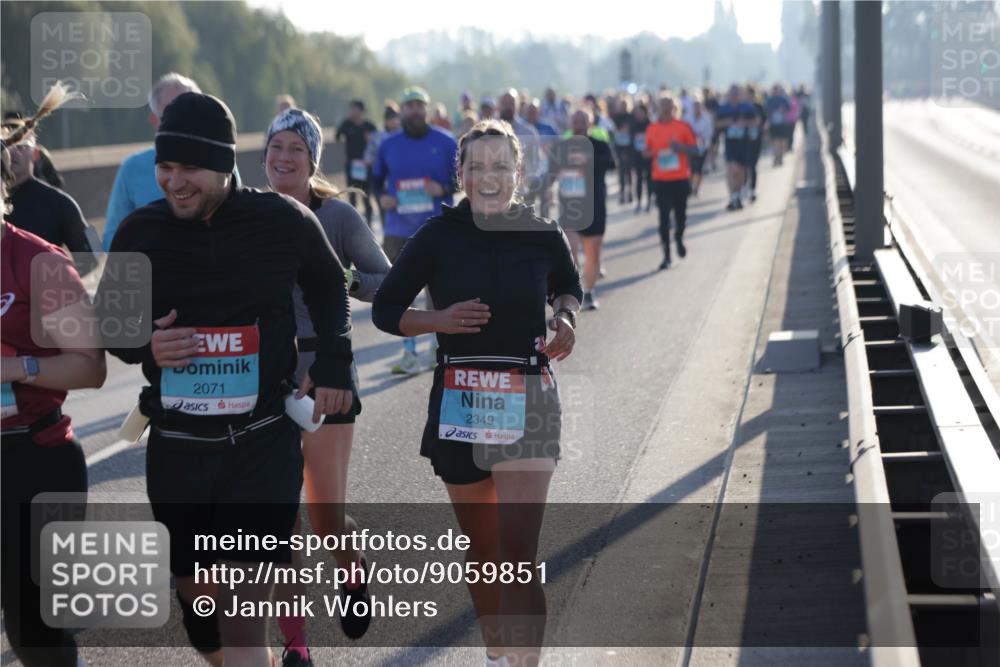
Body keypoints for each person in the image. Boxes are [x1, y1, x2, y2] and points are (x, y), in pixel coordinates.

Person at [100, 92, 355, 667]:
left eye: (188, 168)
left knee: (244, 626)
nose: (173, 181)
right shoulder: (142, 232)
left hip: (261, 445)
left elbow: (327, 281)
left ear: (223, 164)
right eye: (166, 167)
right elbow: (112, 329)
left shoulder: (282, 219)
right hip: (180, 450)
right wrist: (148, 345)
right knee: (203, 613)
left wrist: (333, 358)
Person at [372, 119, 581, 667]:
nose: (489, 177)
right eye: (477, 167)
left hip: (528, 393)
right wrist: (438, 318)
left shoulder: (542, 232)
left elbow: (568, 286)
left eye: (500, 167)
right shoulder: (438, 236)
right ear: (460, 173)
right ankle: (496, 650)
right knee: (484, 554)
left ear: (518, 173)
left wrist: (564, 319)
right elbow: (385, 309)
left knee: (518, 557)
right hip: (461, 399)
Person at [265, 108, 391, 665]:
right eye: (276, 148)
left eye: (296, 149)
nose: (284, 158)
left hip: (327, 374)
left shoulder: (337, 216)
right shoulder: (252, 213)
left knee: (324, 519)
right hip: (266, 378)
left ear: (312, 159)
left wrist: (343, 277)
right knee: (280, 522)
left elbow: (385, 283)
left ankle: (351, 568)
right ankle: (296, 645)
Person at [1, 81, 107, 667]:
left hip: (34, 458)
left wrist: (16, 366)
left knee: (32, 626)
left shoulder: (39, 259)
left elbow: (91, 368)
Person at [373, 86, 458, 375]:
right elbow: (375, 180)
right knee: (401, 293)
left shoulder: (446, 143)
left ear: (427, 109)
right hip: (398, 229)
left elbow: (461, 180)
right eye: (409, 106)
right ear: (402, 110)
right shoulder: (388, 145)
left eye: (420, 105)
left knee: (439, 294)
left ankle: (440, 349)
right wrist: (382, 199)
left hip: (437, 229)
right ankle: (408, 354)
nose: (415, 110)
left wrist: (444, 187)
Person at [103, 72, 203, 251]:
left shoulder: (221, 163)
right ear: (154, 120)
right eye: (172, 111)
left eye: (190, 109)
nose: (183, 118)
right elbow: (112, 238)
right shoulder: (132, 169)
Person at [1, 116, 98, 275]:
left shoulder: (60, 202)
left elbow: (92, 255)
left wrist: (55, 282)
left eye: (21, 146)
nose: (12, 152)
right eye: (7, 145)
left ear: (36, 154)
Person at [551, 109, 615, 310]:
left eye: (582, 120)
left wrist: (587, 161)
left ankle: (589, 291)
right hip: (571, 206)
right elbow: (552, 171)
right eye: (575, 120)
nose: (579, 124)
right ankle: (575, 290)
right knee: (570, 252)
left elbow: (613, 164)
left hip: (594, 206)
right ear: (571, 123)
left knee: (592, 253)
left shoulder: (599, 145)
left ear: (590, 123)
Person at [644, 95, 698, 270]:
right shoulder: (652, 128)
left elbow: (695, 149)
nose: (666, 109)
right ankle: (666, 255)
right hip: (660, 180)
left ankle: (679, 238)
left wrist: (680, 148)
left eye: (669, 106)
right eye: (662, 105)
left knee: (681, 216)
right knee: (663, 219)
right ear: (658, 108)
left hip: (680, 179)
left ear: (675, 108)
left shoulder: (682, 127)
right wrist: (649, 153)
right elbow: (647, 150)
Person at [336, 100, 377, 227]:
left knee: (366, 195)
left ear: (361, 111)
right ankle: (353, 225)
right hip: (351, 165)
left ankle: (369, 225)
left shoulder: (369, 126)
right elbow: (337, 136)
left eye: (355, 109)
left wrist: (370, 139)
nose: (353, 111)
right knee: (352, 195)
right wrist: (345, 121)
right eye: (351, 109)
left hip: (365, 165)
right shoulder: (347, 124)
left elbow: (377, 141)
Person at [716, 84, 751, 210]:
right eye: (732, 93)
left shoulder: (746, 107)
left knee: (741, 171)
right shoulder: (723, 108)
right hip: (730, 144)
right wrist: (727, 122)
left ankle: (738, 194)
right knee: (731, 169)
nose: (735, 95)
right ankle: (732, 196)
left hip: (743, 144)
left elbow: (756, 122)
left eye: (737, 93)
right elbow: (717, 124)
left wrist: (744, 123)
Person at [365, 102, 401, 225]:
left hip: (398, 179)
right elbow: (368, 156)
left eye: (395, 119)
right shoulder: (377, 136)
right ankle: (387, 237)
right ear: (385, 120)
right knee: (383, 208)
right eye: (390, 119)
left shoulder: (404, 135)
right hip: (380, 177)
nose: (393, 122)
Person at [685, 99, 714, 197]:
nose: (696, 109)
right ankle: (689, 186)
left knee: (698, 168)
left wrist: (700, 137)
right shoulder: (687, 118)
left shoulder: (706, 119)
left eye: (698, 107)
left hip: (702, 147)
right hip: (690, 147)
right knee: (691, 168)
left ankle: (696, 187)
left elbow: (709, 133)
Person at [744, 84, 765, 203]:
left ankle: (752, 189)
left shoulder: (759, 106)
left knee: (753, 165)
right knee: (746, 164)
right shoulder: (743, 107)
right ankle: (745, 186)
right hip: (744, 140)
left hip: (756, 139)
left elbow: (763, 121)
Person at [630, 102, 652, 213]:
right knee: (638, 179)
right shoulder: (633, 125)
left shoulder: (650, 124)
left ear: (645, 113)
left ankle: (649, 201)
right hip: (637, 156)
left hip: (648, 156)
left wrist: (649, 151)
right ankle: (638, 202)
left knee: (649, 179)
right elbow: (630, 142)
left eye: (640, 112)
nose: (638, 114)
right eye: (636, 112)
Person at [610, 98, 633, 205]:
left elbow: (633, 130)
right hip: (619, 146)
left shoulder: (631, 116)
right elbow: (613, 130)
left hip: (628, 147)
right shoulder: (616, 117)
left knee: (628, 171)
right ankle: (622, 192)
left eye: (625, 104)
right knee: (621, 171)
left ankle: (630, 191)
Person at [766, 84, 791, 166]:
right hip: (773, 124)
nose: (775, 92)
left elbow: (788, 108)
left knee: (782, 141)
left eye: (777, 90)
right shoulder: (770, 100)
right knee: (775, 141)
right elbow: (766, 110)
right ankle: (776, 157)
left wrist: (783, 109)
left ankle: (780, 156)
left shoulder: (783, 99)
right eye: (774, 90)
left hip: (782, 123)